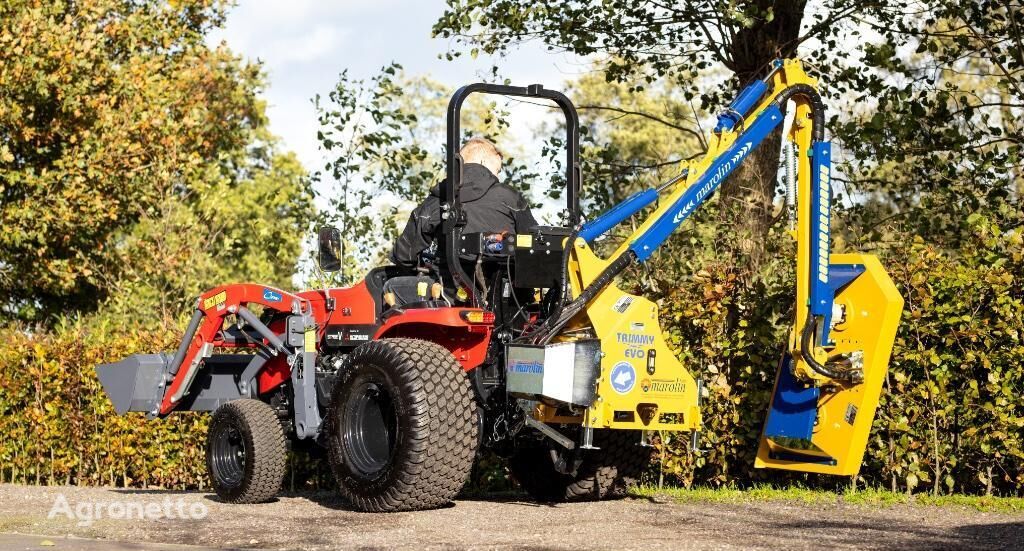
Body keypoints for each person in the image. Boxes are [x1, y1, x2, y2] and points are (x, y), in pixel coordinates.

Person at [390, 137, 538, 269]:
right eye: (497, 170)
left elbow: (404, 255)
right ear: (484, 162)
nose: (496, 176)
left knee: (387, 285)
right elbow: (537, 244)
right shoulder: (510, 197)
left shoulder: (438, 199)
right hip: (507, 293)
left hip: (451, 291)